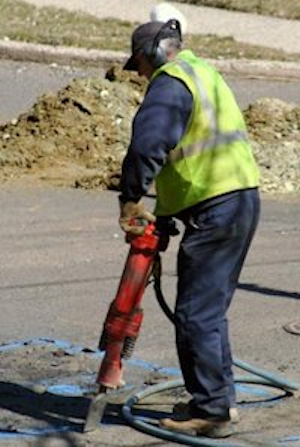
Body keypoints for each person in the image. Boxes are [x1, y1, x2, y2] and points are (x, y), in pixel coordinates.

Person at [118, 18, 260, 438]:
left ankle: (212, 410)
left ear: (155, 54)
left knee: (196, 314)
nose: (140, 74)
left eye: (140, 65)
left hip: (216, 208)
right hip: (239, 198)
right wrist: (164, 213)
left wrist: (130, 198)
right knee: (209, 312)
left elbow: (149, 145)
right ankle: (221, 401)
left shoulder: (170, 82)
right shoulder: (205, 73)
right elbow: (196, 154)